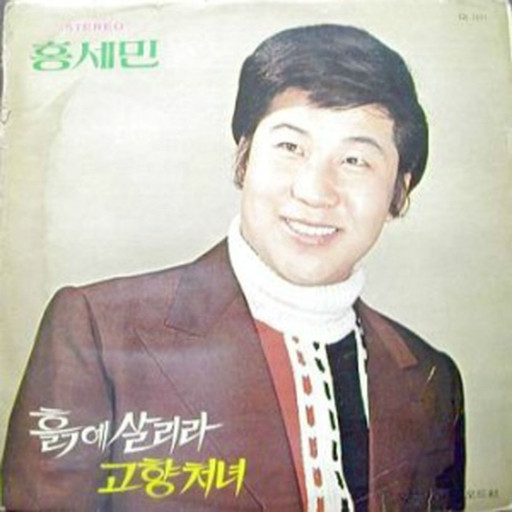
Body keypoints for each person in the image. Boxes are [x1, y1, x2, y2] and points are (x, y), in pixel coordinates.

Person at [2, 24, 465, 511]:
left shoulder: (434, 380)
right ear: (244, 158)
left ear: (399, 191)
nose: (314, 191)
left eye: (354, 160)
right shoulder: (98, 331)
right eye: (290, 147)